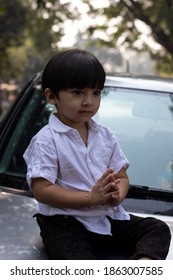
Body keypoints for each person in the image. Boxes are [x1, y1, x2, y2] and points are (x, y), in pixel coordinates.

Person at [23, 48, 171, 260]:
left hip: (106, 217)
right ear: (51, 96)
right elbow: (42, 190)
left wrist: (116, 195)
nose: (88, 101)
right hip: (64, 222)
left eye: (95, 92)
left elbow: (121, 177)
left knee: (157, 228)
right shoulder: (47, 140)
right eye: (77, 92)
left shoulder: (105, 136)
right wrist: (90, 198)